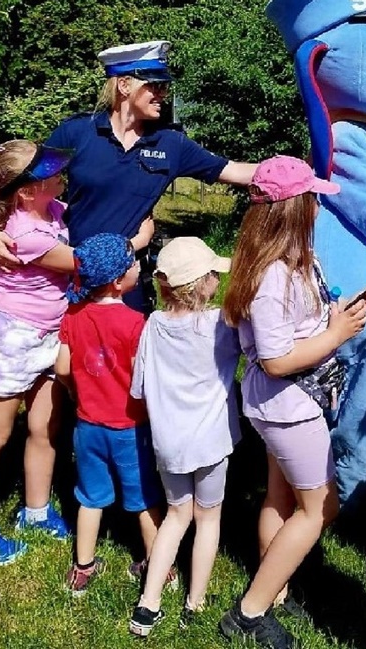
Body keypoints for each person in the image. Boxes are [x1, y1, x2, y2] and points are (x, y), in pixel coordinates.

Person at [219, 156, 366, 649]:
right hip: (288, 404)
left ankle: (277, 587)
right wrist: (335, 334)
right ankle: (248, 611)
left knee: (280, 497)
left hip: (287, 403)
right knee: (320, 508)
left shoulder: (293, 260)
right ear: (294, 208)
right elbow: (276, 360)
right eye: (312, 199)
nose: (318, 207)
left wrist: (336, 315)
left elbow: (295, 332)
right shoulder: (273, 277)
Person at [0, 40, 258, 312]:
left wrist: (295, 169)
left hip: (128, 285)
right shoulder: (76, 133)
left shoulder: (171, 144)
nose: (162, 94)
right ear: (124, 85)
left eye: (164, 87)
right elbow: (22, 182)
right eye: (154, 85)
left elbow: (235, 171)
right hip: (72, 279)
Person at [0, 142, 80, 566]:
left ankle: (36, 512)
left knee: (45, 427)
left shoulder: (51, 210)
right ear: (25, 191)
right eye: (52, 174)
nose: (61, 178)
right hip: (13, 338)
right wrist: (137, 239)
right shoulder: (23, 233)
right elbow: (83, 262)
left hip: (48, 335)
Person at [129, 237, 241, 638]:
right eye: (214, 274)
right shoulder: (221, 326)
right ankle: (194, 603)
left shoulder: (153, 326)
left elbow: (139, 388)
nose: (218, 279)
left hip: (169, 443)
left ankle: (148, 604)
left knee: (176, 518)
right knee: (208, 519)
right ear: (203, 284)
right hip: (211, 441)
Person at [54, 233, 162, 595]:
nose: (137, 268)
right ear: (119, 282)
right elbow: (140, 377)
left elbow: (63, 367)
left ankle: (83, 568)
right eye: (133, 264)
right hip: (130, 427)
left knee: (89, 497)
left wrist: (74, 391)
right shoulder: (135, 323)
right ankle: (161, 566)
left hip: (87, 426)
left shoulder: (73, 315)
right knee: (144, 499)